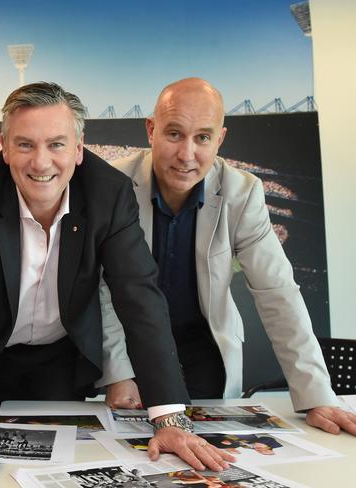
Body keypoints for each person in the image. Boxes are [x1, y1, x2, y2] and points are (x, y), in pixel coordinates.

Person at [0, 82, 234, 475]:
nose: (41, 162)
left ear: (78, 148)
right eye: (24, 145)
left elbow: (140, 299)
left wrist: (170, 419)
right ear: (3, 146)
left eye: (56, 144)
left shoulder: (110, 193)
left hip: (63, 355)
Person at [103, 77, 356, 435]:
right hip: (129, 353)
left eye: (203, 138)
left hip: (204, 351)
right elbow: (98, 288)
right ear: (151, 130)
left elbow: (278, 292)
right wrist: (118, 371)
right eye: (174, 134)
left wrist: (316, 395)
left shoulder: (243, 192)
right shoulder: (111, 184)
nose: (187, 155)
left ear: (219, 139)